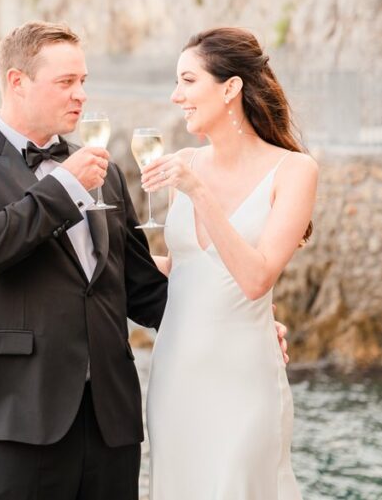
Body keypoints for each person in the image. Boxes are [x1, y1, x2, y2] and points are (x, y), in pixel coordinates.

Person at [0, 21, 288, 500]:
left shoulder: (106, 174)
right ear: (17, 82)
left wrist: (239, 323)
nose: (80, 95)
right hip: (16, 415)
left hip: (110, 422)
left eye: (83, 82)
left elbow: (141, 289)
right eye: (65, 83)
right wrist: (64, 187)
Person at [141, 27, 317, 500]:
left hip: (244, 377)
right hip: (176, 373)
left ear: (230, 87)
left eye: (188, 80)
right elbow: (186, 268)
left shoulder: (294, 171)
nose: (177, 96)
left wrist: (198, 193)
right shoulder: (184, 161)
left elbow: (256, 278)